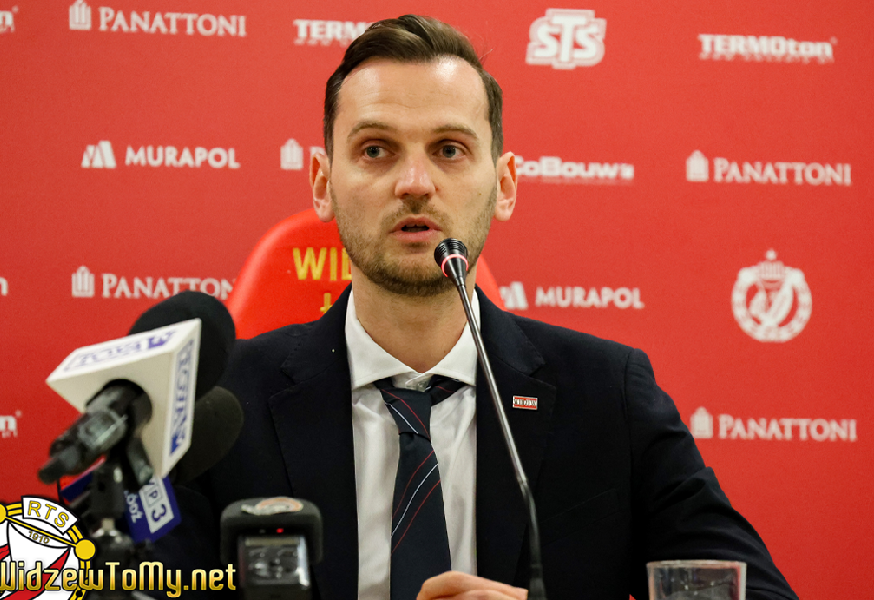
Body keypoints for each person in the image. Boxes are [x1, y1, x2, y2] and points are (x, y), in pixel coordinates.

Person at [157, 15, 798, 600]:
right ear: (324, 184)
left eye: (449, 150)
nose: (415, 184)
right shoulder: (217, 408)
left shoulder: (609, 397)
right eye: (376, 149)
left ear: (505, 184)